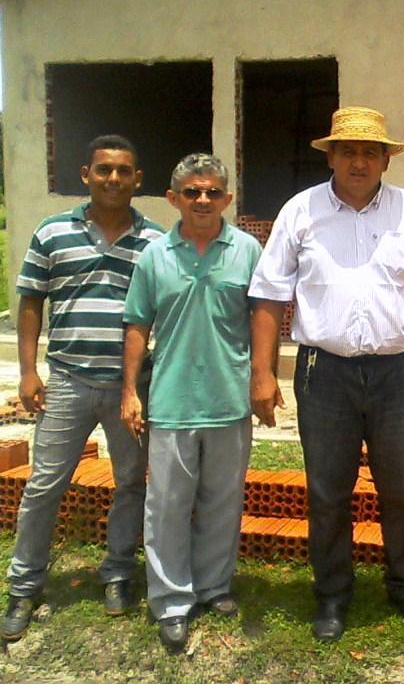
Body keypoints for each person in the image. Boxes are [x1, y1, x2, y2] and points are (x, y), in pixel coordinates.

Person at [248, 106, 404, 641]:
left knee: (403, 489)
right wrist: (263, 374)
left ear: (386, 158)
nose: (359, 161)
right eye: (348, 151)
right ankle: (332, 595)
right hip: (325, 376)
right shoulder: (300, 212)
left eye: (370, 151)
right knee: (327, 492)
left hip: (397, 375)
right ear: (331, 156)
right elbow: (270, 296)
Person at [2, 136, 163, 641]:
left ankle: (117, 574)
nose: (113, 178)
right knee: (45, 485)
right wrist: (29, 372)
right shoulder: (53, 233)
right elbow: (31, 301)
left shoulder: (156, 242)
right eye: (104, 170)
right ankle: (24, 587)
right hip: (68, 381)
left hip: (129, 387)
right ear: (85, 174)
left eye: (123, 171)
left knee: (131, 482)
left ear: (138, 179)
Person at [121, 153, 262, 652]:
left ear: (226, 197)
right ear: (174, 198)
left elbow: (262, 318)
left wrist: (262, 380)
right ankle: (171, 600)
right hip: (172, 401)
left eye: (212, 191)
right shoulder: (154, 256)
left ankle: (214, 586)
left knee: (222, 502)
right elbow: (137, 324)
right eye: (192, 191)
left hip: (229, 399)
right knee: (167, 506)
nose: (203, 199)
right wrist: (129, 392)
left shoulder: (247, 250)